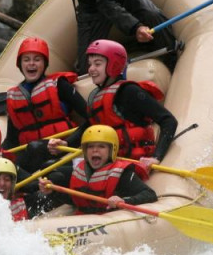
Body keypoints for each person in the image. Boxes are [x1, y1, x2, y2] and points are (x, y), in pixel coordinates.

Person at [49, 39, 177, 169]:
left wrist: (156, 157)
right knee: (51, 169)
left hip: (132, 162)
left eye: (97, 64)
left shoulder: (129, 91)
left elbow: (168, 120)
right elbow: (89, 126)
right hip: (108, 162)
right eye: (90, 64)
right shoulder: (96, 96)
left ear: (113, 65)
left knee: (58, 174)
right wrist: (67, 143)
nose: (91, 69)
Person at [2, 37, 88, 171]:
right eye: (26, 60)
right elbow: (12, 141)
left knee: (34, 147)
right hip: (33, 156)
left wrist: (68, 142)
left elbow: (91, 117)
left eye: (37, 59)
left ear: (44, 64)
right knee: (28, 152)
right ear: (20, 65)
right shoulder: (14, 97)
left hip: (64, 149)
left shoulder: (59, 85)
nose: (31, 64)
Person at [38, 125, 157, 214]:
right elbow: (77, 200)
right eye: (90, 146)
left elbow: (150, 194)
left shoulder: (122, 173)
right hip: (86, 221)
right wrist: (53, 192)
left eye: (101, 146)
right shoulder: (80, 171)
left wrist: (124, 201)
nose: (95, 150)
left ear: (112, 150)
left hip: (110, 223)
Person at [0, 157, 47, 221]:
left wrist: (48, 191)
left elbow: (51, 200)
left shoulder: (22, 205)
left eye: (7, 179)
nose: (2, 183)